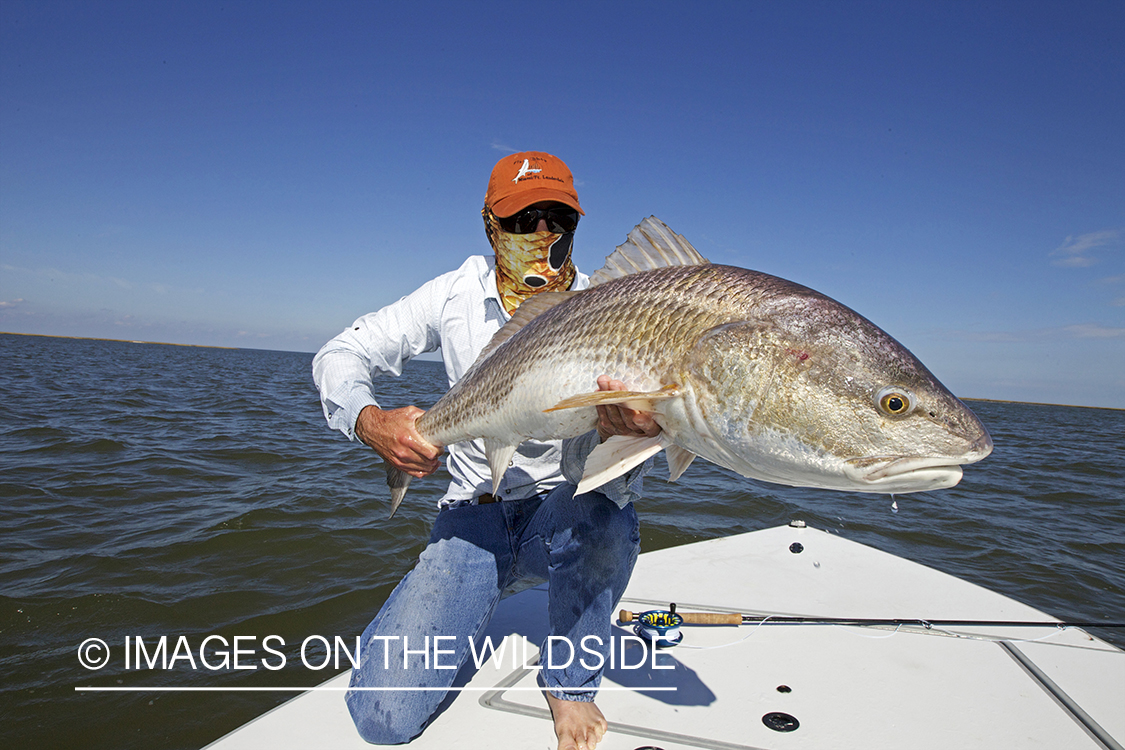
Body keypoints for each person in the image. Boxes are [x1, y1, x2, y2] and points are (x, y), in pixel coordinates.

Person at [312, 151, 660, 750]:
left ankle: (570, 686)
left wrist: (621, 434)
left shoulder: (613, 308)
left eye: (559, 218)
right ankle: (430, 609)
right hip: (472, 518)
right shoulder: (453, 294)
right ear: (490, 224)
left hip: (563, 512)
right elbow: (340, 353)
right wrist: (371, 423)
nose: (543, 234)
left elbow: (610, 474)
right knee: (382, 718)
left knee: (607, 514)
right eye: (524, 219)